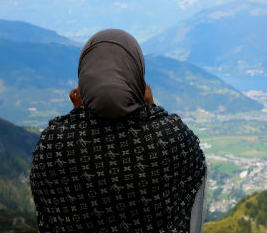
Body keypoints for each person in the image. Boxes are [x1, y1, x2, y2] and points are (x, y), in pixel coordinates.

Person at [30, 29, 207, 233]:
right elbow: (193, 181)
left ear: (85, 77)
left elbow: (49, 212)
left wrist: (79, 115)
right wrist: (152, 109)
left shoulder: (53, 145)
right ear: (136, 75)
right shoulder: (172, 138)